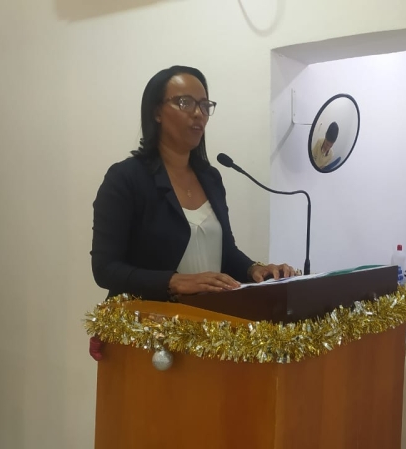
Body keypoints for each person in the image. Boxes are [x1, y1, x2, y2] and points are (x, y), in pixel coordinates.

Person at [90, 65, 296, 305]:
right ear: (156, 112)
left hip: (208, 319)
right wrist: (172, 282)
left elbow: (226, 253)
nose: (198, 113)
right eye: (185, 103)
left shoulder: (210, 178)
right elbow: (105, 268)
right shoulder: (126, 178)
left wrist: (255, 270)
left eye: (204, 105)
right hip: (147, 322)